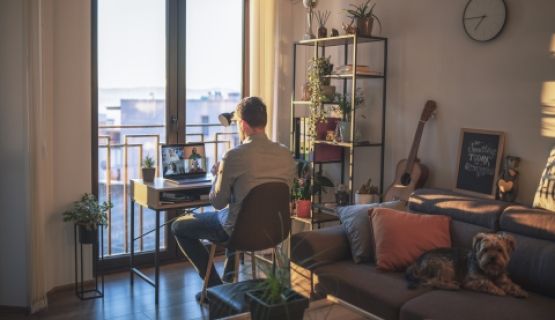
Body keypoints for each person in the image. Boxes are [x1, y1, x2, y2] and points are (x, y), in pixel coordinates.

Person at [171, 96, 296, 300]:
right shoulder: (285, 154)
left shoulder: (234, 156)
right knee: (236, 213)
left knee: (179, 226)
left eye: (237, 123)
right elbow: (272, 194)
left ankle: (215, 288)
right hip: (274, 231)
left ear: (244, 124)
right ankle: (229, 283)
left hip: (238, 231)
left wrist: (218, 175)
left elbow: (217, 201)